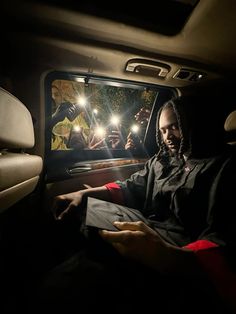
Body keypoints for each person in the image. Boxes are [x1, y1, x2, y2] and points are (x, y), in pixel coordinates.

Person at [29, 94, 236, 313]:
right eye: (163, 130)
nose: (168, 137)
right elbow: (131, 187)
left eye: (175, 127)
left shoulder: (225, 167)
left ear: (192, 123)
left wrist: (167, 256)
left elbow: (225, 240)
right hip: (147, 228)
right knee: (84, 210)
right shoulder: (163, 160)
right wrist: (83, 195)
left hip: (177, 250)